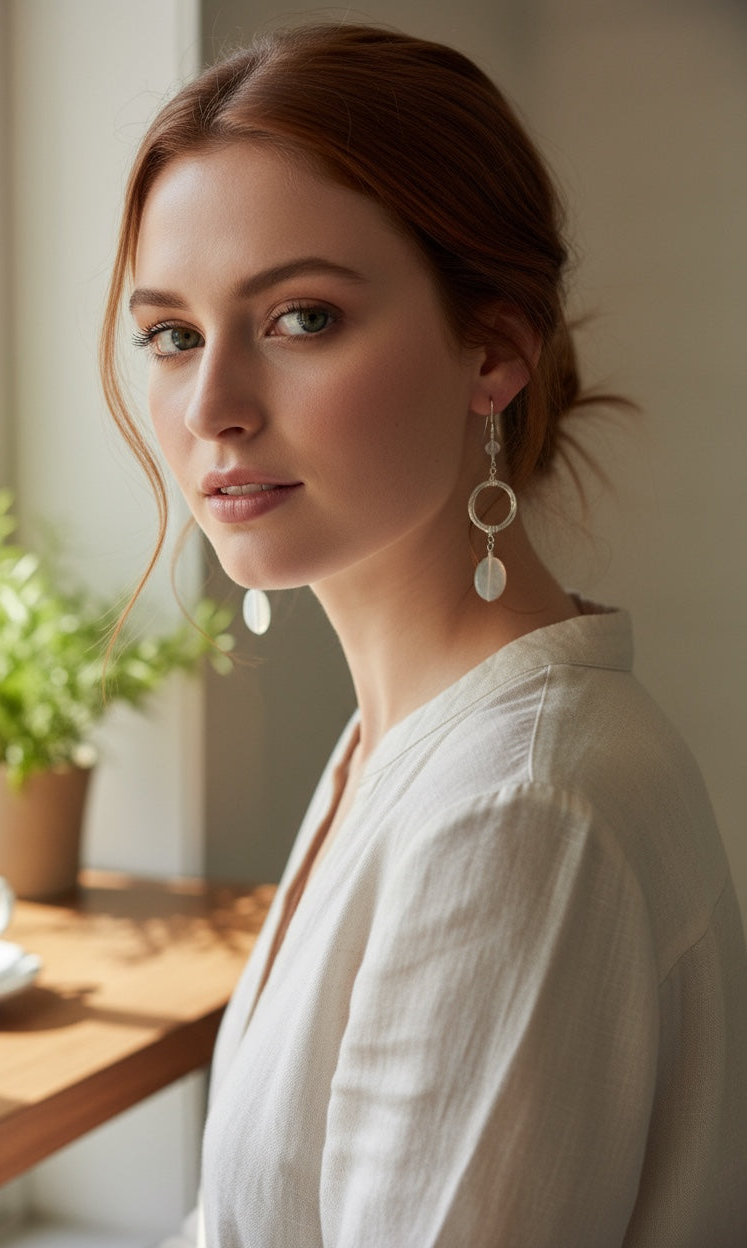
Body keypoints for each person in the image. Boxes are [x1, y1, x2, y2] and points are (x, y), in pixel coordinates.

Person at [100, 23, 747, 1248]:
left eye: (300, 318)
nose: (212, 408)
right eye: (172, 335)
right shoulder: (410, 741)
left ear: (492, 352)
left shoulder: (515, 812)